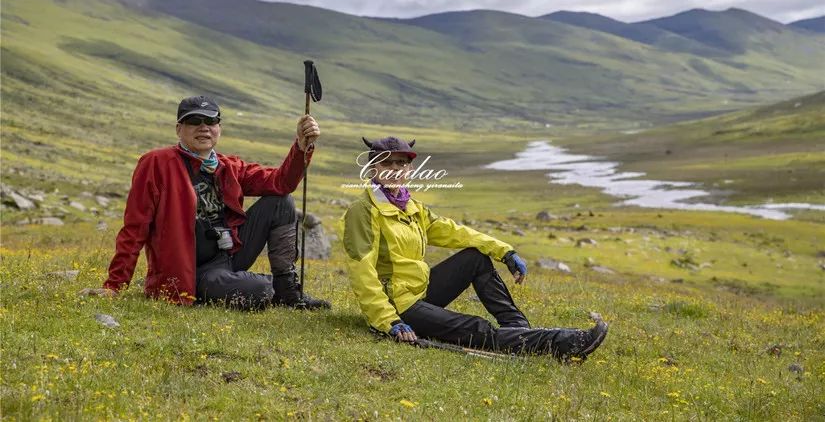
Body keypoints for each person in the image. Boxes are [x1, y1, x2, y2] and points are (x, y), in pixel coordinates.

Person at [342, 136, 607, 361]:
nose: (395, 169)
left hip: (418, 293)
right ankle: (563, 343)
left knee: (475, 258)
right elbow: (362, 274)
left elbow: (456, 232)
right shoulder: (363, 211)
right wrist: (389, 322)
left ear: (410, 168)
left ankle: (518, 330)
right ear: (373, 168)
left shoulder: (411, 208)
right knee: (477, 327)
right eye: (386, 162)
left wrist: (504, 251)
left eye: (402, 162)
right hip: (398, 307)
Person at [82, 95, 330, 310]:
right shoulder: (156, 163)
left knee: (281, 201)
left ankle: (288, 292)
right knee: (259, 290)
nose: (204, 128)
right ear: (179, 129)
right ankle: (258, 287)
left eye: (211, 121)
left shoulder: (228, 166)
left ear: (219, 128)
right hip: (193, 271)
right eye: (194, 121)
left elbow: (281, 183)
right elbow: (135, 227)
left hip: (230, 255)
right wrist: (114, 286)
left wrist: (300, 146)